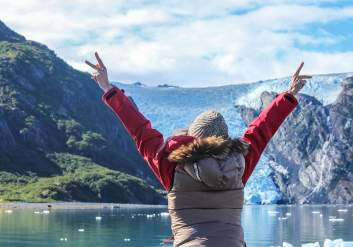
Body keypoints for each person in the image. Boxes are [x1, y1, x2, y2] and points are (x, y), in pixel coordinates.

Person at [85, 52, 311, 247]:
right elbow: (262, 129)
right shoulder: (239, 164)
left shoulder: (172, 165)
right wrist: (289, 94)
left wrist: (108, 88)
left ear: (192, 139)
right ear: (224, 141)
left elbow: (139, 130)